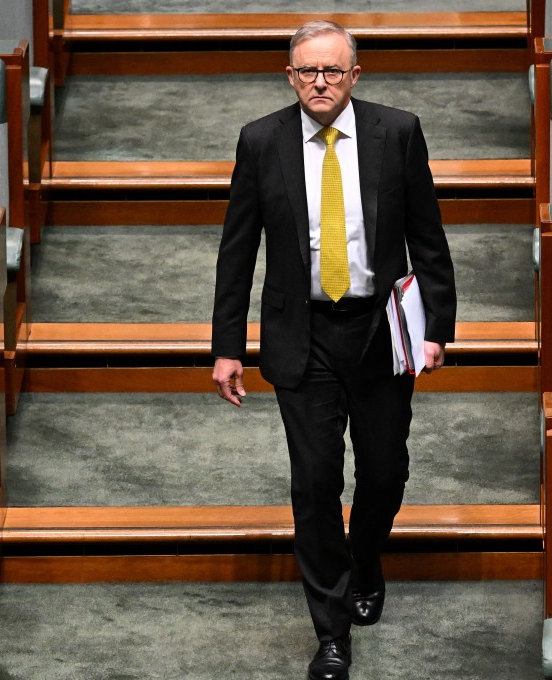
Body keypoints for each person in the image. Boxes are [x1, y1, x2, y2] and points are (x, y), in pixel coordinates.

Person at [211, 19, 456, 680]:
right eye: (305, 71)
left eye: (332, 70)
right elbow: (237, 252)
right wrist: (227, 345)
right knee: (316, 485)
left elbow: (428, 239)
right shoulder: (261, 141)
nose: (319, 82)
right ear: (289, 76)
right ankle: (331, 632)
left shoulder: (397, 133)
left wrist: (437, 327)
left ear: (355, 75)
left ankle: (366, 558)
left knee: (383, 471)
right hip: (303, 335)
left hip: (380, 332)